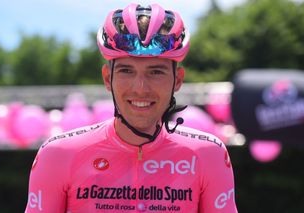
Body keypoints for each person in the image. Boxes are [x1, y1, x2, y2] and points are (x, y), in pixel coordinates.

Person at [25, 3, 238, 213]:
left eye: (156, 72)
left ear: (178, 80)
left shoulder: (209, 155)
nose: (140, 88)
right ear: (108, 78)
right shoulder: (58, 154)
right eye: (127, 71)